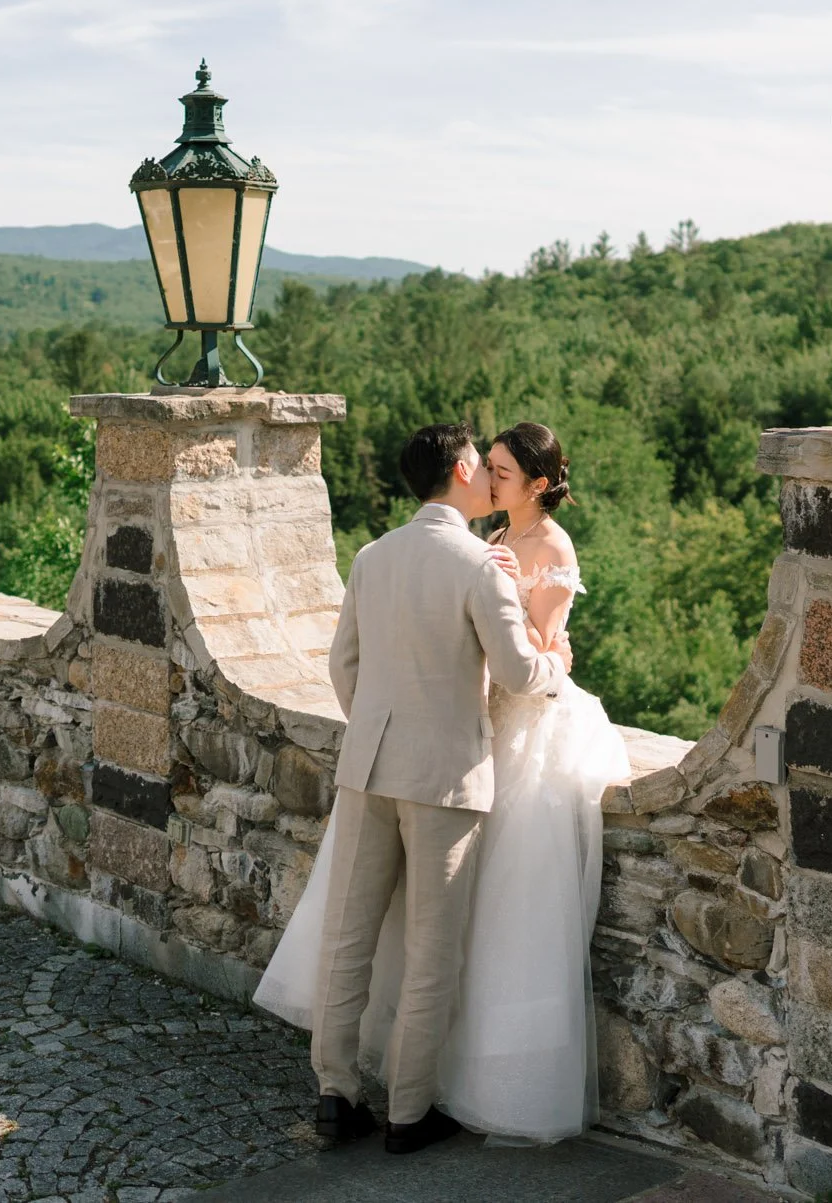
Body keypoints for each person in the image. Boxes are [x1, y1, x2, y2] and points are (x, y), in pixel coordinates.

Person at [256, 420, 630, 1149]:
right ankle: (409, 1112)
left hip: (368, 767)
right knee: (433, 947)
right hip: (447, 777)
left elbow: (344, 669)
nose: (486, 475)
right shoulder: (479, 564)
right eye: (479, 464)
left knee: (349, 936)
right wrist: (561, 664)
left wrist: (377, 728)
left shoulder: (371, 555)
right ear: (461, 471)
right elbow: (521, 673)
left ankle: (334, 1094)